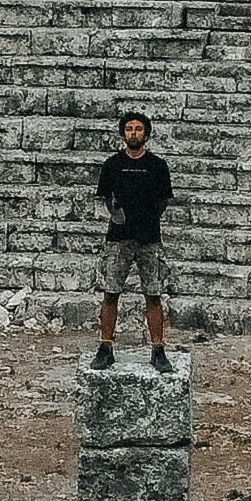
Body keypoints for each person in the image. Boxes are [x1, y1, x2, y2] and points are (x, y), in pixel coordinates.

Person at [92, 110, 172, 371]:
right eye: (129, 129)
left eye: (138, 129)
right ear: (123, 134)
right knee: (110, 292)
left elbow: (163, 201)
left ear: (146, 134)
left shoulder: (158, 165)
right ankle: (105, 346)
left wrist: (146, 220)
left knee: (153, 294)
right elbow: (106, 198)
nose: (133, 133)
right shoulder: (112, 164)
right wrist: (119, 217)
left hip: (149, 238)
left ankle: (158, 349)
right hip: (118, 238)